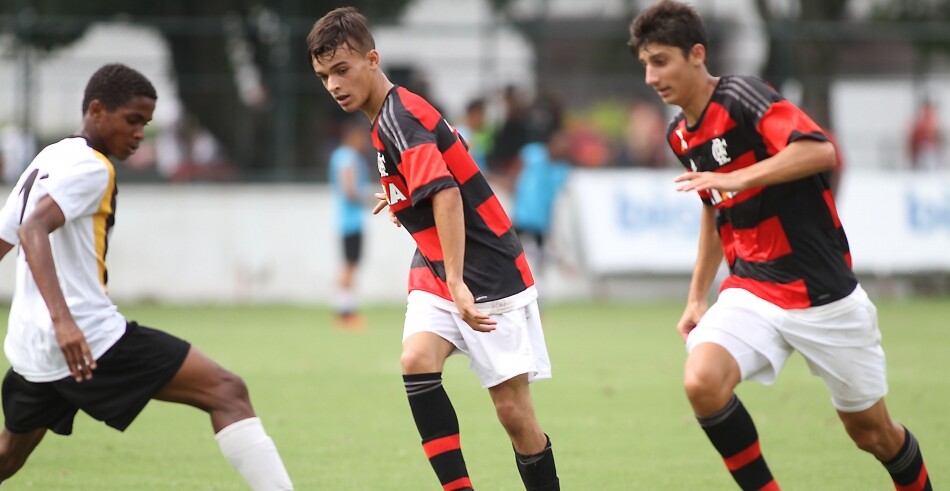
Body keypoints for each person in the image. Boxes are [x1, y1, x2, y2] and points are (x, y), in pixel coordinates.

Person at [629, 2, 932, 491]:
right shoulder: (680, 135)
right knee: (701, 382)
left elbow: (819, 149)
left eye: (660, 60)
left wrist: (736, 176)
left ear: (697, 55)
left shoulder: (743, 95)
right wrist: (695, 297)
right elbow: (714, 209)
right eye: (645, 63)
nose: (650, 76)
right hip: (752, 289)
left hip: (823, 293)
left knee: (873, 434)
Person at [0, 63, 293, 490]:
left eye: (146, 123)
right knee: (227, 391)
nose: (140, 134)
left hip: (31, 347)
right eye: (132, 120)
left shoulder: (49, 156)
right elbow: (31, 230)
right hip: (87, 340)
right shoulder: (93, 167)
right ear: (97, 110)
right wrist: (64, 322)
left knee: (8, 454)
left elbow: (6, 237)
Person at [307, 8, 559, 491]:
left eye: (342, 70)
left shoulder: (398, 117)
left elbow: (445, 192)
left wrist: (460, 283)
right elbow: (447, 155)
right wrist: (400, 194)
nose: (333, 85)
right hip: (437, 265)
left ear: (372, 59)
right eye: (323, 76)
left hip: (486, 270)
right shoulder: (390, 116)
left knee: (514, 416)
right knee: (416, 359)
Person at [328, 115, 372, 328]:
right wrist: (373, 198)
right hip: (351, 221)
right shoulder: (348, 157)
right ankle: (344, 312)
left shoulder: (341, 156)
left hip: (348, 220)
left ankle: (345, 309)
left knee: (349, 265)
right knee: (349, 265)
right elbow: (350, 190)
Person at [512, 130, 571, 272]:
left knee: (539, 257)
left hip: (541, 221)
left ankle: (539, 284)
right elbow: (514, 172)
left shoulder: (562, 170)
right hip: (522, 214)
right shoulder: (532, 153)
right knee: (512, 250)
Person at [907, 99, 945, 171]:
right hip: (922, 152)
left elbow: (939, 139)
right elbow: (913, 139)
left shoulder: (934, 123)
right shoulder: (919, 124)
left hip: (931, 152)